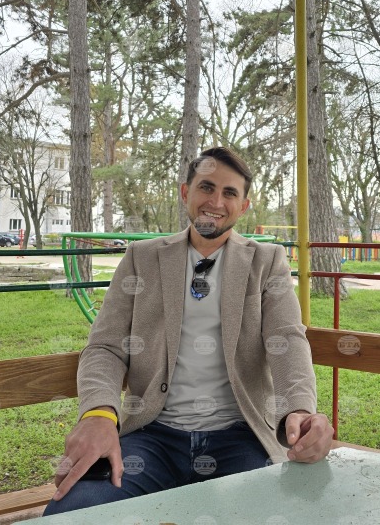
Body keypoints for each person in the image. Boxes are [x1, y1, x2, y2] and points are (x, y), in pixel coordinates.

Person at [44, 147, 333, 515]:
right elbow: (106, 347)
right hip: (152, 438)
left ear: (243, 206)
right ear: (185, 193)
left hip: (240, 438)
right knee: (75, 512)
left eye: (230, 193)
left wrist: (300, 411)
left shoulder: (266, 261)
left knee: (279, 515)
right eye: (206, 187)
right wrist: (99, 414)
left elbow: (287, 340)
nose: (216, 201)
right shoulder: (141, 258)